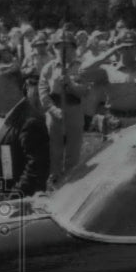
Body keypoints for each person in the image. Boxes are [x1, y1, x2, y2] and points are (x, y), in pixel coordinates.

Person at [0, 63, 50, 204]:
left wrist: (9, 204)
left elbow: (35, 173)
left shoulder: (30, 122)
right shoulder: (8, 115)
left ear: (11, 90)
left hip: (11, 209)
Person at [79, 29, 136, 132]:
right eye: (125, 47)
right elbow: (83, 72)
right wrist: (108, 53)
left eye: (133, 47)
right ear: (118, 49)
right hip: (114, 121)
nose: (129, 50)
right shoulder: (108, 70)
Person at [38, 29, 89, 186]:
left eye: (67, 46)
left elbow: (85, 90)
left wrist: (71, 84)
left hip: (74, 110)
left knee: (73, 152)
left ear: (74, 48)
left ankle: (71, 183)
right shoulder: (49, 68)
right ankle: (54, 181)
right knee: (54, 151)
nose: (63, 50)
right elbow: (43, 93)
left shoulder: (82, 67)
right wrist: (54, 110)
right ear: (54, 48)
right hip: (55, 112)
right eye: (59, 46)